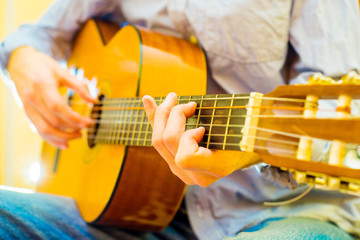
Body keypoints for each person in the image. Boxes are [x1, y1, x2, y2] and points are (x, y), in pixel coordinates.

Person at [1, 0, 360, 239]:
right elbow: (38, 36)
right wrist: (21, 59)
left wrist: (250, 152)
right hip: (127, 210)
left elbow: (340, 109)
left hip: (276, 212)